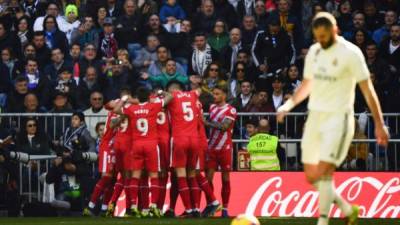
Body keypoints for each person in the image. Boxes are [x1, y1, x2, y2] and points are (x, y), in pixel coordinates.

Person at [277, 12, 389, 225]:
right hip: (315, 118)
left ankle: (323, 220)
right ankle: (348, 209)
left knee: (324, 170)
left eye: (325, 36)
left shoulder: (351, 53)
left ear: (335, 29)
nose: (321, 41)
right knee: (311, 175)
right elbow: (307, 84)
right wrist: (289, 104)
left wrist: (379, 123)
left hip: (338, 120)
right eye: (318, 37)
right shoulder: (314, 51)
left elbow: (368, 90)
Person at [113, 87, 172, 218]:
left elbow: (116, 110)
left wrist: (123, 100)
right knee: (154, 176)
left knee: (135, 176)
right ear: (148, 97)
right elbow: (170, 97)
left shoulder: (132, 109)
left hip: (137, 145)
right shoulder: (153, 106)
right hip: (151, 144)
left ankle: (133, 206)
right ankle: (154, 206)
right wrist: (162, 92)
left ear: (137, 98)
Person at [166, 80, 201, 217]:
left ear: (173, 90)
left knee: (181, 175)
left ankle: (189, 209)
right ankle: (197, 208)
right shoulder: (192, 95)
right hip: (194, 139)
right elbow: (199, 90)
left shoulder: (171, 98)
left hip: (180, 139)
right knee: (192, 175)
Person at [203, 84, 237, 218]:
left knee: (225, 179)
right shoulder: (211, 107)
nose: (214, 96)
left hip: (225, 149)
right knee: (208, 179)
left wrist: (206, 123)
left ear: (224, 95)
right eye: (213, 94)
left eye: (217, 94)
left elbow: (224, 127)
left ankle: (225, 209)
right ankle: (211, 204)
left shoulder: (231, 110)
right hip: (211, 148)